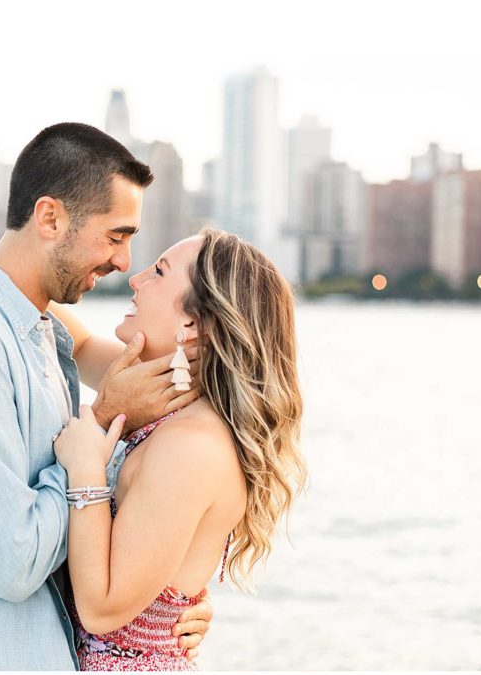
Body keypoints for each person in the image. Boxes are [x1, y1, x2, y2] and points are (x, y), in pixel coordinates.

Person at [0, 123, 213, 670]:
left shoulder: (32, 330)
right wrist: (103, 424)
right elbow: (14, 563)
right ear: (50, 218)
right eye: (116, 236)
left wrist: (170, 601)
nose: (125, 264)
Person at [48, 228, 308, 670]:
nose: (135, 278)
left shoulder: (192, 447)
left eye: (159, 272)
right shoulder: (168, 393)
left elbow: (102, 610)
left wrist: (87, 467)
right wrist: (1, 276)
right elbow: (81, 345)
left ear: (192, 324)